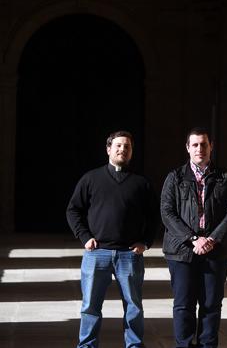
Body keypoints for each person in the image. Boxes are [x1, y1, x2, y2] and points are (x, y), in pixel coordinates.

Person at [66, 130, 159, 348]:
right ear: (108, 149)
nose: (122, 150)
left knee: (133, 306)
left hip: (129, 255)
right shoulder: (91, 178)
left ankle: (134, 345)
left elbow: (154, 216)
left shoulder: (141, 183)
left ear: (131, 152)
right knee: (90, 306)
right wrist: (84, 237)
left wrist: (145, 242)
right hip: (96, 253)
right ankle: (87, 345)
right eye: (118, 146)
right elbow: (73, 210)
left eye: (127, 147)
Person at [161, 127, 227, 348]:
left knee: (211, 304)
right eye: (194, 145)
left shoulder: (225, 177)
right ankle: (183, 345)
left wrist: (212, 239)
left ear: (210, 146)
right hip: (182, 251)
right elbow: (167, 212)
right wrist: (194, 239)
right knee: (184, 304)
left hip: (216, 251)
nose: (199, 149)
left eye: (203, 144)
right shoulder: (174, 178)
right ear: (187, 148)